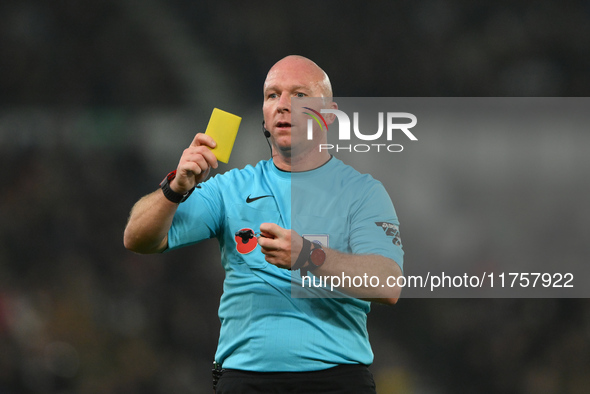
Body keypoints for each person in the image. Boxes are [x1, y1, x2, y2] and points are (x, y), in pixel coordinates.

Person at [124, 55, 404, 393]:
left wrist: (307, 256)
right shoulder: (230, 189)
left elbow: (388, 284)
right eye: (273, 95)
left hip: (336, 380)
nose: (283, 105)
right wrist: (174, 188)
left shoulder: (361, 192)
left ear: (329, 115)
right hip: (245, 381)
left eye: (300, 95)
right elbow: (137, 238)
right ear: (265, 114)